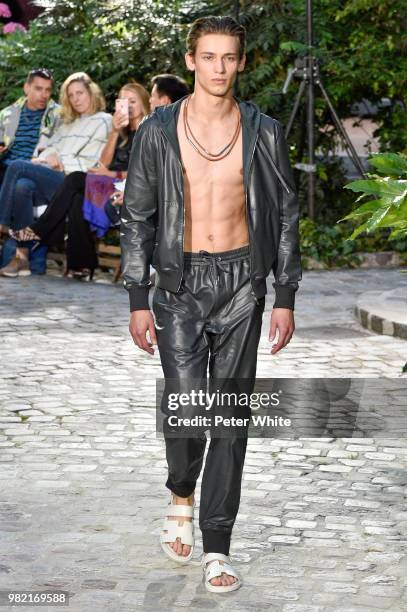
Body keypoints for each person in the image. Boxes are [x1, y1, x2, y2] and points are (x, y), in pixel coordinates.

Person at [121, 15, 302, 593]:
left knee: (229, 418)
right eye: (209, 56)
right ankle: (180, 490)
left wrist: (284, 295)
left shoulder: (265, 132)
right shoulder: (157, 131)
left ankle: (217, 545)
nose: (219, 67)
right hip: (178, 286)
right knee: (186, 408)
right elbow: (138, 217)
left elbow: (288, 213)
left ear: (241, 62)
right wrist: (137, 296)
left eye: (230, 57)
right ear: (192, 60)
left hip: (244, 284)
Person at [9, 83, 150, 279]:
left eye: (133, 101)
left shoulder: (150, 130)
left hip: (128, 187)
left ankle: (39, 230)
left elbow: (147, 173)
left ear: (144, 103)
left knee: (75, 179)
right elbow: (105, 162)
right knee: (76, 197)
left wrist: (109, 175)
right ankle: (82, 264)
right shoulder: (122, 131)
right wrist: (115, 132)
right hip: (108, 183)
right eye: (125, 102)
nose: (130, 106)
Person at [0, 72, 112, 277]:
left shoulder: (104, 121)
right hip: (55, 181)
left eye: (80, 93)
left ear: (91, 93)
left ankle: (3, 223)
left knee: (17, 166)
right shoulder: (68, 123)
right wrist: (49, 158)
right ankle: (24, 258)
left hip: (73, 181)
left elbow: (92, 162)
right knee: (22, 186)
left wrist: (61, 163)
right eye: (71, 95)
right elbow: (49, 148)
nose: (76, 99)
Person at [0, 67, 60, 198]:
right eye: (38, 89)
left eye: (48, 90)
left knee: (20, 185)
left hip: (34, 169)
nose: (44, 95)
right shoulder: (7, 114)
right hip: (5, 166)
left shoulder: (59, 115)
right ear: (27, 88)